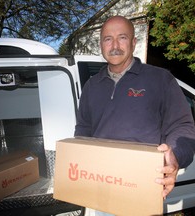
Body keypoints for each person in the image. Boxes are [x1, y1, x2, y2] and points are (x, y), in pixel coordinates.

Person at [74, 15, 195, 215]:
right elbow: (84, 129)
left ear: (133, 42)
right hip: (101, 186)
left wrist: (175, 156)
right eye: (107, 39)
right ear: (101, 44)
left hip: (142, 186)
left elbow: (182, 126)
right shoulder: (91, 86)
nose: (114, 45)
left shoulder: (160, 79)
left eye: (122, 37)